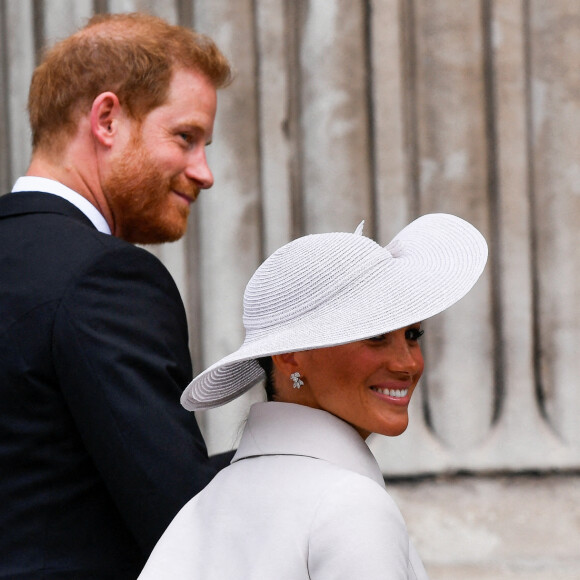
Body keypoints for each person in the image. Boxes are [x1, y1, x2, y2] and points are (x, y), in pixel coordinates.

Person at [0, 12, 233, 579]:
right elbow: (179, 520)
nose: (203, 172)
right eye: (185, 137)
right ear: (107, 119)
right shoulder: (107, 278)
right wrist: (304, 440)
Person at [138, 213, 488, 579]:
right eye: (375, 335)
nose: (407, 364)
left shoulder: (205, 505)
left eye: (413, 336)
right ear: (290, 355)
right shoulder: (349, 503)